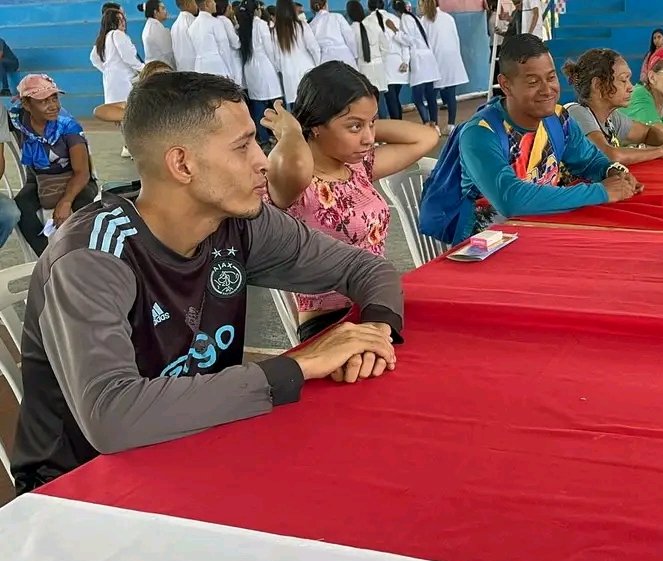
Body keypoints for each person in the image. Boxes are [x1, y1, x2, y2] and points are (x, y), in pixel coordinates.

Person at [9, 71, 404, 494]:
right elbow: (113, 417)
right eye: (242, 146)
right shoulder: (94, 256)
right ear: (182, 164)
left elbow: (367, 269)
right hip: (80, 491)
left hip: (200, 445)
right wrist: (299, 366)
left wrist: (374, 330)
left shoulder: (239, 222)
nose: (264, 161)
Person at [265, 62, 437, 339]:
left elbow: (426, 138)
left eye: (371, 124)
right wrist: (293, 132)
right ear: (316, 126)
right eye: (354, 127)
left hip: (379, 304)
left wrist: (363, 121)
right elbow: (295, 164)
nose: (369, 138)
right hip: (331, 322)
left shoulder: (358, 168)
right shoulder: (295, 183)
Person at [455, 34, 642, 235]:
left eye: (551, 77)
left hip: (541, 231)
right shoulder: (480, 133)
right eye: (533, 81)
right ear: (506, 84)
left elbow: (590, 161)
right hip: (486, 247)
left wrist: (613, 172)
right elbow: (511, 199)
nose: (547, 90)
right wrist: (601, 192)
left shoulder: (558, 119)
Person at [9, 74, 99, 256]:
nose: (53, 106)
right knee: (21, 207)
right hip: (39, 180)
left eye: (54, 98)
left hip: (76, 180)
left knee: (84, 207)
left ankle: (86, 258)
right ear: (27, 105)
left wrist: (66, 201)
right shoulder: (17, 120)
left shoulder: (68, 125)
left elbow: (82, 173)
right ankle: (49, 258)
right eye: (43, 101)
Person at [562, 48, 663, 166]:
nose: (630, 87)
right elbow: (610, 155)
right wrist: (662, 150)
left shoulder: (611, 118)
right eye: (623, 80)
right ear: (597, 84)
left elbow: (647, 132)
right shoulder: (576, 113)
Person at [238, 0, 284, 149]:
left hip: (250, 68)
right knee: (276, 103)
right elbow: (269, 49)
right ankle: (280, 135)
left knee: (257, 105)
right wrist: (277, 66)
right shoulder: (260, 24)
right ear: (256, 10)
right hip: (264, 66)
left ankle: (264, 138)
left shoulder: (241, 26)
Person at [419, 0, 467, 134]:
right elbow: (456, 39)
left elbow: (424, 43)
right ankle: (451, 124)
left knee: (431, 94)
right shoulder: (448, 18)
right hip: (451, 59)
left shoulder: (424, 20)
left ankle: (435, 125)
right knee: (451, 93)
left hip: (435, 59)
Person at [390, 0, 440, 131]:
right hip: (428, 59)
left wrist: (395, 31)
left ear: (396, 11)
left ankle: (427, 123)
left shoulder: (405, 19)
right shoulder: (415, 18)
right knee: (430, 96)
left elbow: (409, 40)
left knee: (417, 98)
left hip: (420, 61)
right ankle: (435, 125)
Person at [90, 9, 144, 107]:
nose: (122, 22)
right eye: (118, 19)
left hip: (111, 81)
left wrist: (107, 69)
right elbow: (128, 57)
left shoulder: (103, 38)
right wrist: (144, 68)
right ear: (111, 22)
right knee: (128, 111)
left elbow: (94, 58)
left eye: (123, 19)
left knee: (116, 113)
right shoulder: (118, 34)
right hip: (124, 80)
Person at [92, 60, 174, 124]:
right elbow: (100, 111)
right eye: (155, 79)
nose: (162, 82)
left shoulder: (178, 102)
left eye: (167, 77)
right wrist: (136, 115)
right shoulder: (139, 104)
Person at [274, 0, 322, 106]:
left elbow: (276, 59)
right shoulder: (301, 26)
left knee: (296, 112)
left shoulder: (275, 31)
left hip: (289, 76)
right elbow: (314, 49)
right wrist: (319, 67)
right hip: (307, 71)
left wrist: (283, 69)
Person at [348, 0, 389, 119]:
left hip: (362, 69)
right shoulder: (374, 25)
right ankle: (385, 132)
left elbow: (353, 54)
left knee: (367, 104)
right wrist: (380, 60)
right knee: (381, 103)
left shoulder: (351, 30)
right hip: (379, 67)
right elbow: (385, 47)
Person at [311, 0, 358, 66]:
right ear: (326, 4)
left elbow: (314, 49)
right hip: (345, 57)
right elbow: (350, 38)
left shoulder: (311, 25)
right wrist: (355, 56)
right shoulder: (337, 17)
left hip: (325, 61)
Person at [215, 0, 246, 87]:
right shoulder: (226, 21)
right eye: (229, 7)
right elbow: (236, 44)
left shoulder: (216, 20)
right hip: (233, 59)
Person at [139, 1, 176, 68]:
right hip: (161, 70)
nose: (166, 11)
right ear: (155, 12)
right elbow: (168, 53)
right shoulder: (156, 29)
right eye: (163, 8)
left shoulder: (150, 26)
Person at [171, 0, 199, 71]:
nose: (197, 5)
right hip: (195, 68)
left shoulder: (174, 26)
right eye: (195, 2)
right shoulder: (194, 23)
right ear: (188, 4)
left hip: (182, 69)